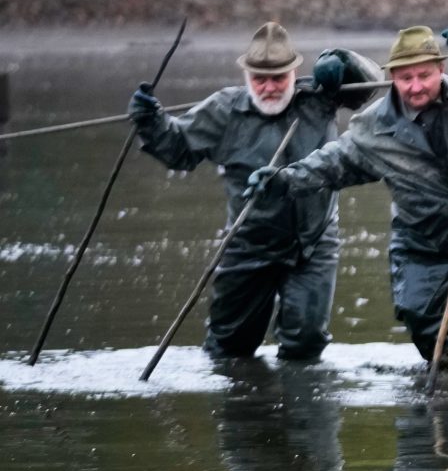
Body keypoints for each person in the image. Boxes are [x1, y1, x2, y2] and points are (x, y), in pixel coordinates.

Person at [258, 18, 448, 357]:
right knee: (424, 326)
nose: (416, 87)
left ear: (441, 70)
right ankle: (447, 366)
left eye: (425, 75)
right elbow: (333, 162)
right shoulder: (374, 128)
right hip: (422, 242)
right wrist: (284, 180)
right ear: (393, 77)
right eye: (406, 78)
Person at [128, 20, 383, 361]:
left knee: (305, 342)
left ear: (294, 73)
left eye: (278, 78)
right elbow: (177, 150)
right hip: (248, 244)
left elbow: (371, 81)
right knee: (229, 347)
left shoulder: (320, 98)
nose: (269, 88)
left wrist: (343, 60)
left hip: (313, 242)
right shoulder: (224, 109)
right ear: (247, 76)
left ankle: (299, 393)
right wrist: (150, 122)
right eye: (260, 79)